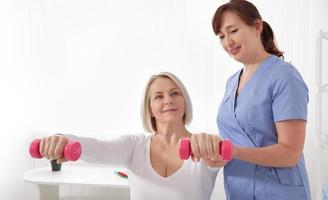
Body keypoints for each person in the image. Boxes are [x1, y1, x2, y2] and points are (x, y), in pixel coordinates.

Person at [190, 1, 311, 199]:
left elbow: (291, 153)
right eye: (221, 36)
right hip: (239, 191)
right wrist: (217, 154)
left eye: (233, 31)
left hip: (279, 192)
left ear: (257, 27)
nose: (227, 42)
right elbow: (236, 141)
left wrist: (234, 151)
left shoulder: (284, 76)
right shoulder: (231, 83)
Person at [39, 72, 224, 200]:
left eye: (175, 93)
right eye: (158, 96)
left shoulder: (203, 148)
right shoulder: (135, 146)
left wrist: (214, 146)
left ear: (184, 101)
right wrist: (63, 139)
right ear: (150, 108)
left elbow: (220, 154)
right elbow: (98, 147)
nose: (168, 100)